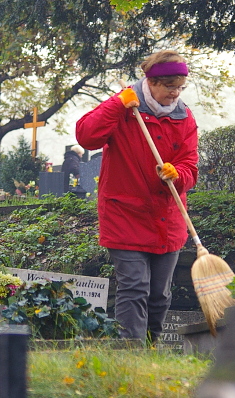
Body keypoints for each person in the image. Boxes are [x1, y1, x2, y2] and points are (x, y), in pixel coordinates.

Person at [75, 50, 198, 344]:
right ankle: (130, 351)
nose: (175, 93)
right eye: (170, 87)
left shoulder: (184, 117)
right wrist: (117, 104)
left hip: (167, 218)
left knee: (159, 294)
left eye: (180, 87)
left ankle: (151, 348)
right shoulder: (124, 107)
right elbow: (87, 137)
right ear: (151, 82)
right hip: (124, 215)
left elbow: (190, 165)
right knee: (134, 287)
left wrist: (177, 174)